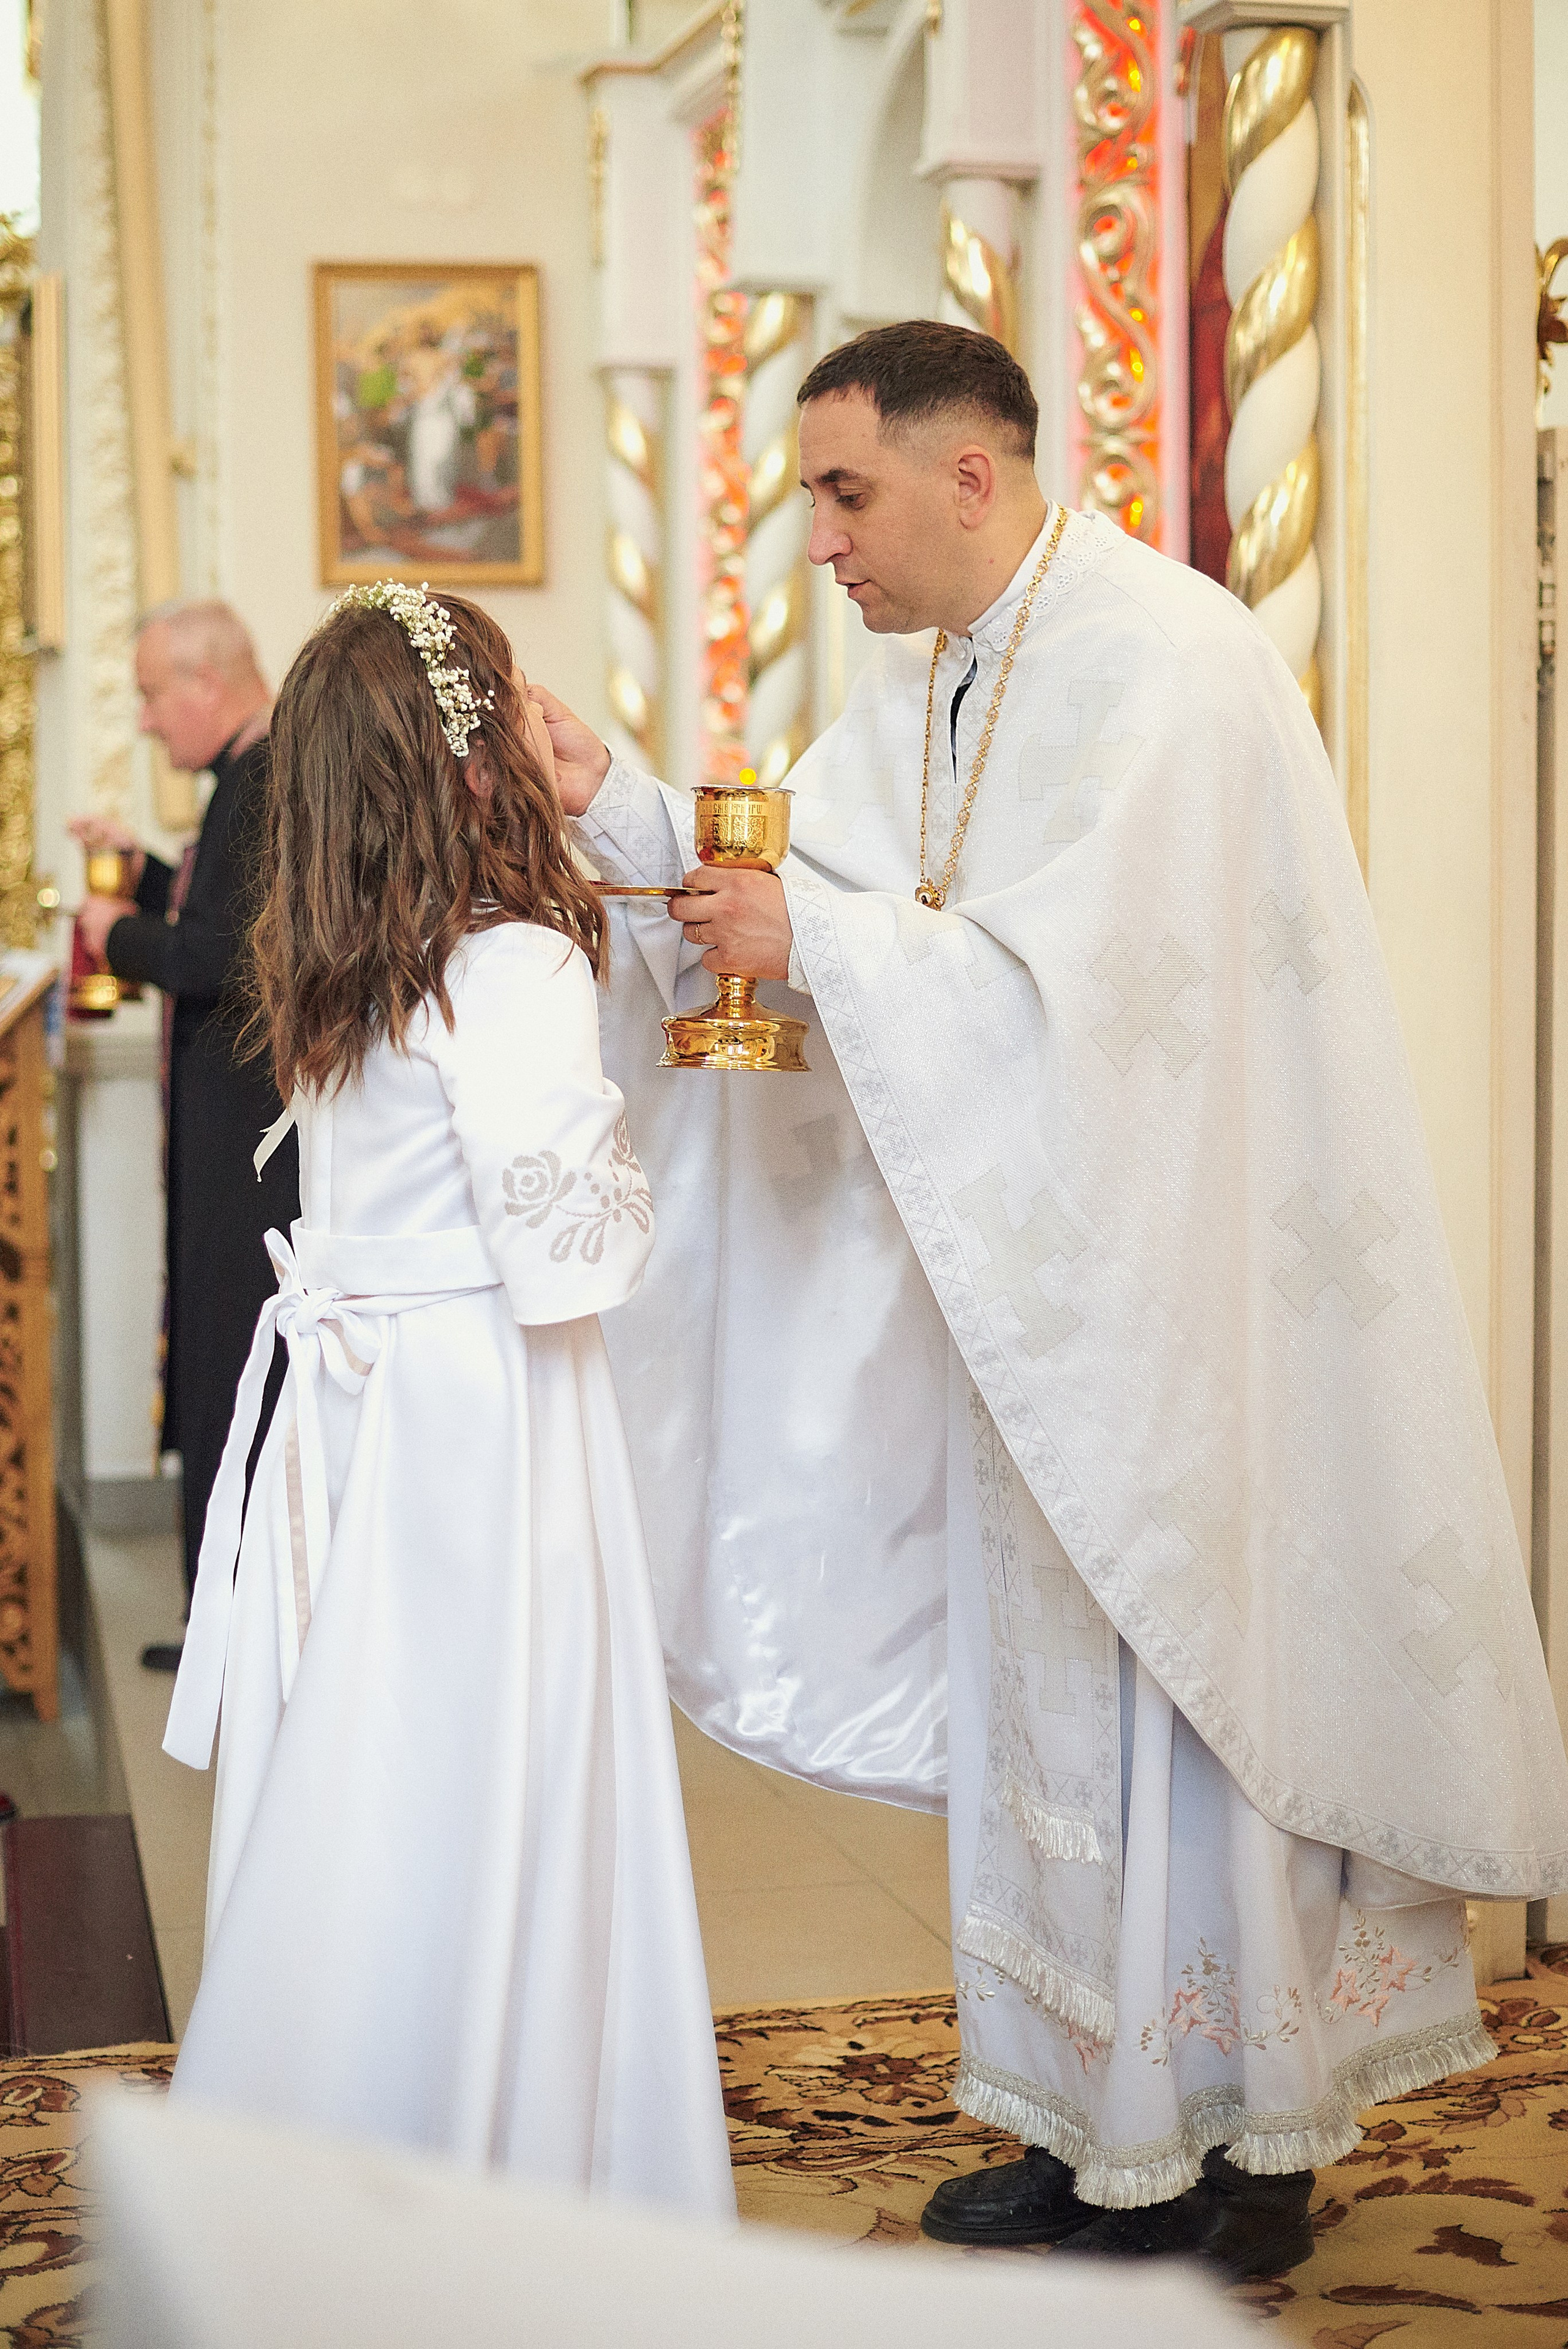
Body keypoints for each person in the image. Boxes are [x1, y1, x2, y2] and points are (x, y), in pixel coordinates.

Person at [535, 320, 1568, 2278]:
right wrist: (633, 815)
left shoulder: (1172, 663)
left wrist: (824, 943)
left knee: (1182, 1724)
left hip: (1181, 1323)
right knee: (1050, 1743)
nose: (821, 540)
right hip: (1050, 1322)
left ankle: (1239, 2156)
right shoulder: (932, 675)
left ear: (970, 474)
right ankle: (1099, 2133)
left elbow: (1096, 1010)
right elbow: (836, 879)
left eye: (844, 492)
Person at [160, 583, 733, 2214]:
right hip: (485, 1418)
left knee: (367, 1764)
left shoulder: (334, 956)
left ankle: (345, 2100)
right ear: (476, 758)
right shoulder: (514, 961)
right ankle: (503, 2138)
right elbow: (571, 1253)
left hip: (350, 1410)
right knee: (489, 1773)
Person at [73, 602, 299, 1670]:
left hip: (249, 1136)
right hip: (232, 1130)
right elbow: (222, 918)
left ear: (209, 682)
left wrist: (116, 932)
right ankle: (221, 1616)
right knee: (217, 1356)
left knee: (232, 1360)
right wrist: (150, 877)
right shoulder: (246, 776)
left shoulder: (263, 777)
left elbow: (230, 959)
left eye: (155, 694)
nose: (148, 720)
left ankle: (231, 1626)